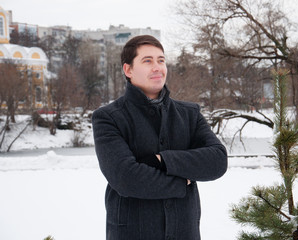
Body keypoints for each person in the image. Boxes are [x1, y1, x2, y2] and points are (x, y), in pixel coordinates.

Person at [92, 35, 227, 240]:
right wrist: (183, 182)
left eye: (161, 60)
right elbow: (126, 178)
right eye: (147, 61)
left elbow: (217, 160)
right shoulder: (109, 118)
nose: (157, 67)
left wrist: (162, 160)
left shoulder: (189, 114)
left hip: (185, 233)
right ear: (128, 70)